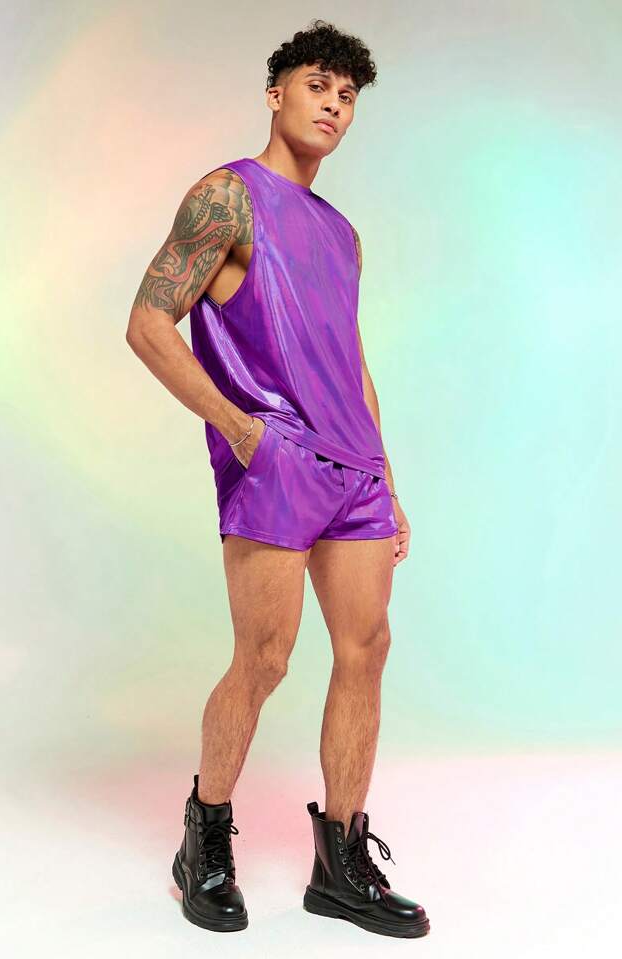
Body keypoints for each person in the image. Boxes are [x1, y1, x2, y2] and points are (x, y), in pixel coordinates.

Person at [126, 18, 430, 939]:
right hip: (278, 460)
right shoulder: (227, 198)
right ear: (276, 92)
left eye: (347, 95)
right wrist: (241, 431)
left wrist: (387, 475)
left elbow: (351, 358)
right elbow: (148, 323)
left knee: (366, 648)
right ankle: (205, 837)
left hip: (354, 472)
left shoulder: (343, 234)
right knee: (264, 657)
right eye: (316, 85)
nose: (333, 105)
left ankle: (341, 862)